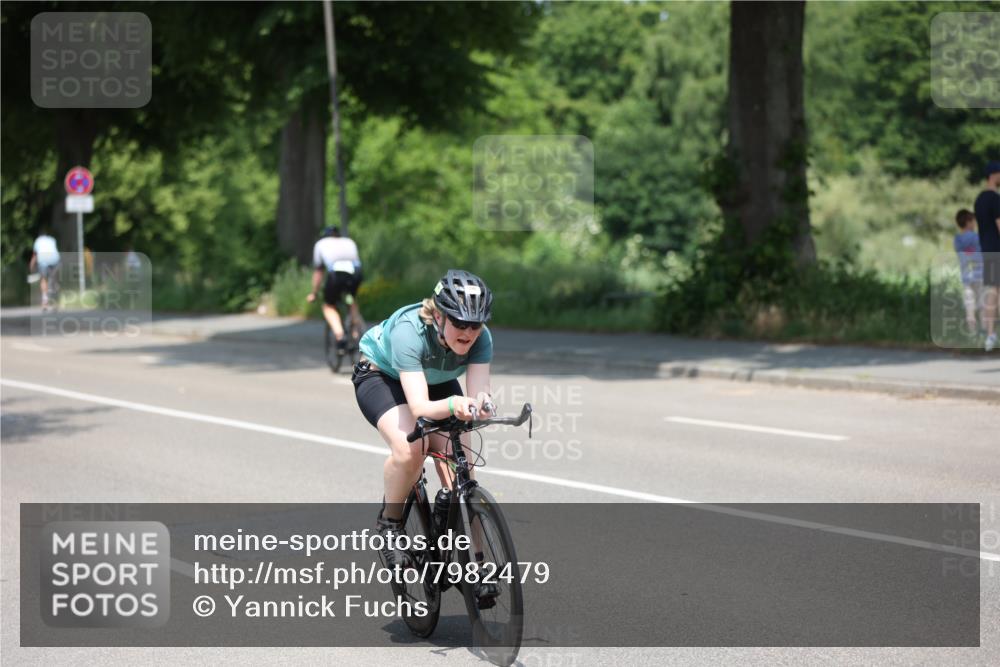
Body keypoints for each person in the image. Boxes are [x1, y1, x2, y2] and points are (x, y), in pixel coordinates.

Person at [352, 269, 498, 603]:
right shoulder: (409, 332)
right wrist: (454, 404)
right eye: (459, 323)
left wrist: (483, 403)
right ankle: (389, 525)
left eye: (475, 325)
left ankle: (475, 564)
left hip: (438, 380)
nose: (468, 332)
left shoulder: (481, 338)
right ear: (439, 315)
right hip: (383, 377)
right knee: (412, 447)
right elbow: (418, 407)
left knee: (462, 470)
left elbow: (478, 394)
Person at [306, 226, 364, 352]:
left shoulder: (321, 244)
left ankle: (340, 335)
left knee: (328, 306)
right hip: (356, 273)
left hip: (337, 274)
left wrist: (314, 293)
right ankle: (355, 333)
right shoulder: (349, 241)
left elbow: (319, 272)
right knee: (351, 299)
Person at [974, 161, 1000, 351]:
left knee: (992, 292)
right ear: (993, 175)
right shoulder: (995, 199)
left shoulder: (979, 200)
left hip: (987, 250)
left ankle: (990, 334)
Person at [953, 209, 983, 334]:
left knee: (969, 308)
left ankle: (972, 334)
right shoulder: (977, 237)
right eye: (973, 221)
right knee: (983, 305)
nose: (975, 224)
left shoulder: (957, 240)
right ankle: (984, 332)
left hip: (966, 276)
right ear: (968, 222)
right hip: (980, 274)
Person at [29, 227, 60, 311]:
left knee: (43, 280)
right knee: (54, 280)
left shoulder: (37, 241)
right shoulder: (52, 239)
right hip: (55, 259)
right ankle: (55, 302)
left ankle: (45, 302)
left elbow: (35, 255)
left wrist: (31, 264)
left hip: (43, 259)